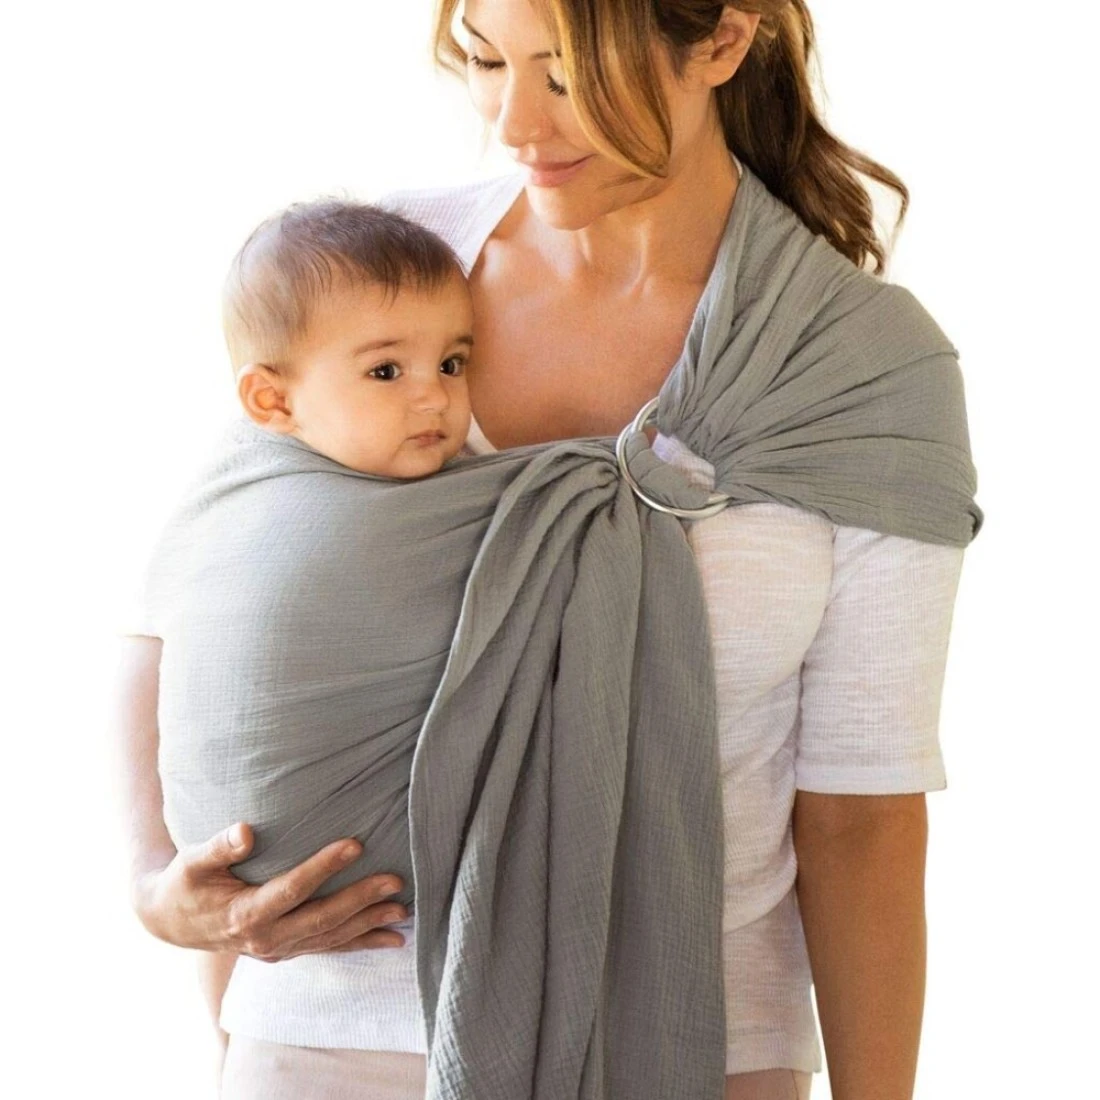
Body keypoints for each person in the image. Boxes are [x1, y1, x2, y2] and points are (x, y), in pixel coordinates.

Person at [114, 3, 973, 1098]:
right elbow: (186, 605)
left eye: (564, 74)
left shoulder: (855, 370)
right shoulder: (381, 277)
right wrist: (157, 887)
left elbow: (862, 811)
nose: (513, 121)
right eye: (484, 60)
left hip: (689, 1045)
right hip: (326, 1030)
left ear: (720, 41)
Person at [129, 197, 474, 1065]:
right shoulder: (239, 505)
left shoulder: (480, 493)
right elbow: (156, 643)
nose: (435, 393)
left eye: (453, 361)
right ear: (271, 399)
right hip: (279, 988)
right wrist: (152, 880)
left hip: (436, 963)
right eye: (386, 371)